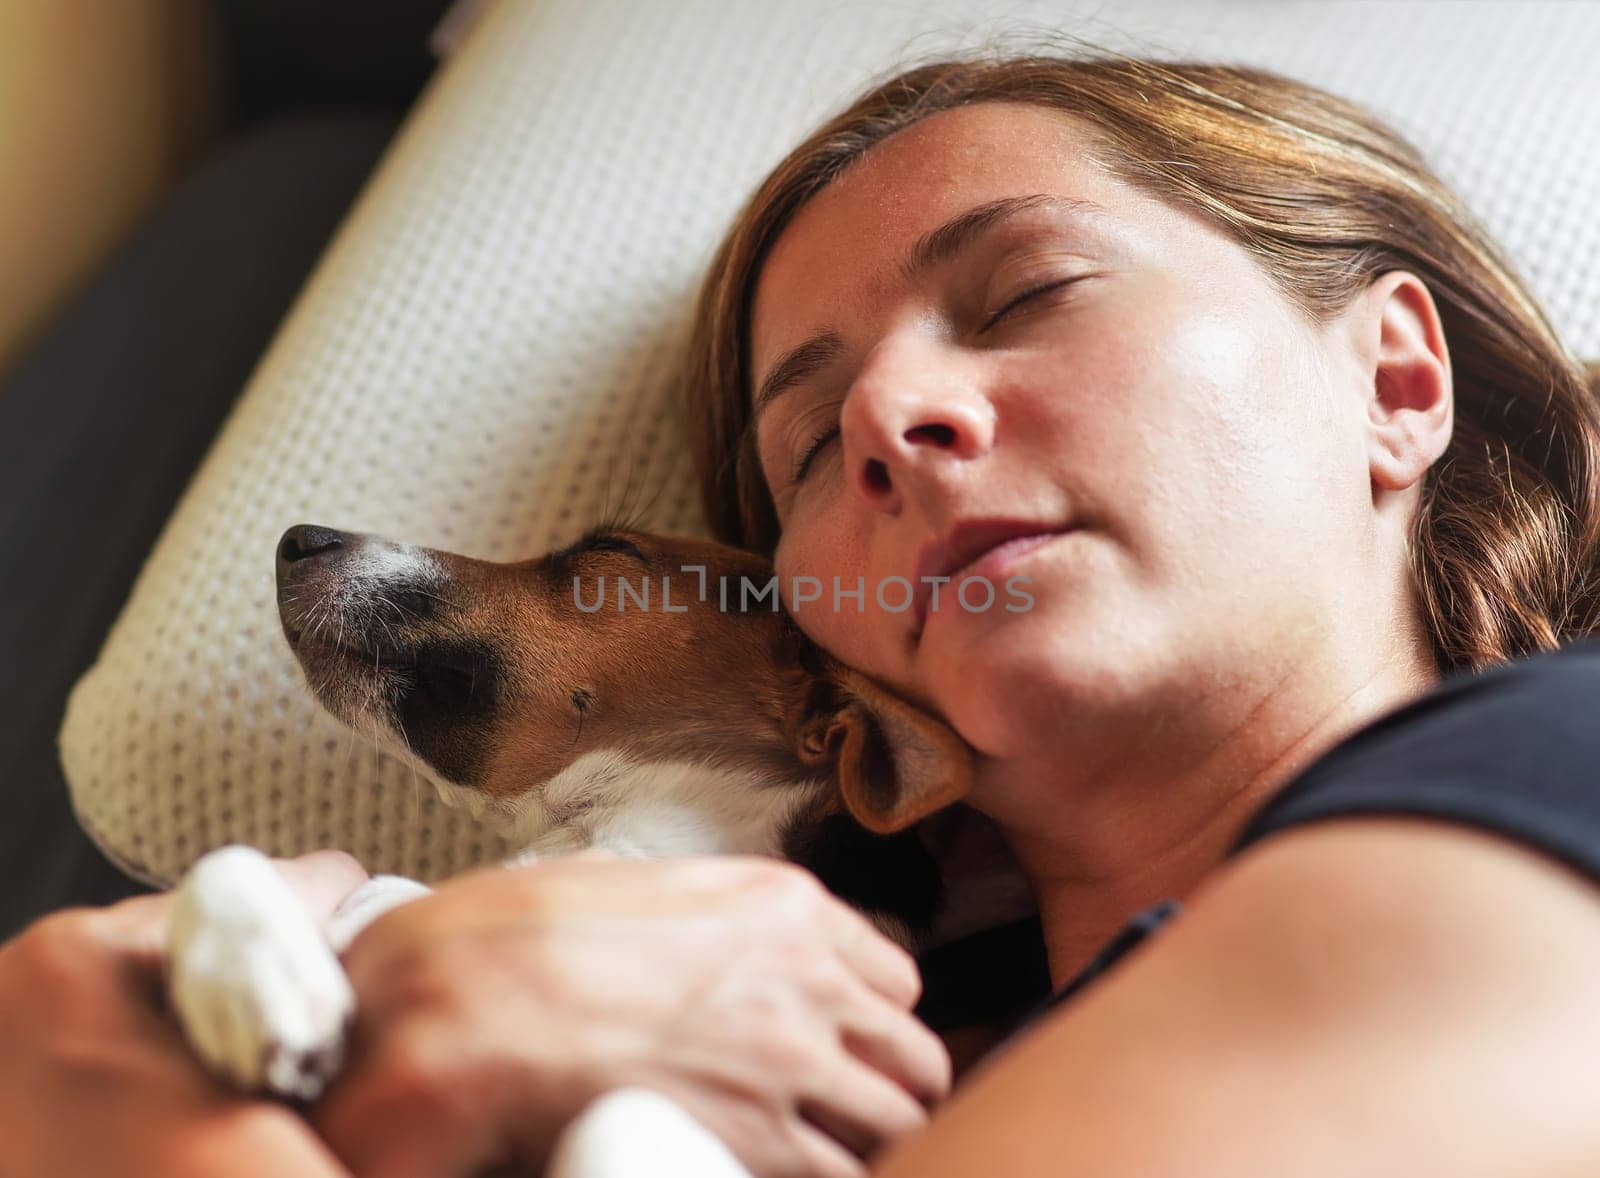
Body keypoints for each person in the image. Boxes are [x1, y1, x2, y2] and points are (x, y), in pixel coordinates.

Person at [7, 46, 1600, 1177]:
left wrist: (158, 1099)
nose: (894, 415)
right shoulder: (797, 1080)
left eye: (1026, 294)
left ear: (1395, 379)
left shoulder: (1560, 773)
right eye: (806, 451)